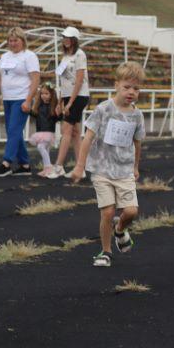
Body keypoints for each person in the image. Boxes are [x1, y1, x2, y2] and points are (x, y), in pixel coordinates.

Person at [69, 62, 146, 268]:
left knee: (131, 212)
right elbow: (87, 138)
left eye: (136, 88)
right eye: (127, 87)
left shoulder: (137, 115)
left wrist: (136, 166)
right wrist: (80, 165)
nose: (131, 92)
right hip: (102, 170)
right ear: (116, 85)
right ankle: (105, 251)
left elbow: (137, 142)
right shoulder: (103, 109)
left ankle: (120, 229)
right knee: (108, 212)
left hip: (124, 170)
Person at [0, 27, 40, 177]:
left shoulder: (29, 56)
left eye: (15, 40)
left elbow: (36, 79)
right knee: (13, 132)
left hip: (22, 98)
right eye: (10, 41)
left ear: (22, 41)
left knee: (14, 130)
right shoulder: (5, 56)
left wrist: (28, 100)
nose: (12, 43)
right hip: (8, 99)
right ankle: (24, 165)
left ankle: (6, 163)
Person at [48, 26, 91, 178]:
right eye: (64, 37)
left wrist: (70, 102)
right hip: (68, 96)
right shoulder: (65, 56)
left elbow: (79, 80)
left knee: (65, 130)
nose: (65, 40)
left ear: (74, 40)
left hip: (78, 96)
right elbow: (64, 81)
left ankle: (58, 166)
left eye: (68, 37)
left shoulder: (80, 55)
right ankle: (81, 168)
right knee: (75, 132)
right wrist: (61, 101)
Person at [29, 83, 62, 176]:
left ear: (52, 94)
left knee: (41, 147)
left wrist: (59, 113)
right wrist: (28, 110)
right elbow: (34, 115)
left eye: (46, 93)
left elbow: (58, 118)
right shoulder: (39, 106)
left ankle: (49, 166)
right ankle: (46, 169)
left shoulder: (54, 106)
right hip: (40, 132)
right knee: (46, 150)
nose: (43, 96)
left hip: (49, 132)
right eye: (42, 93)